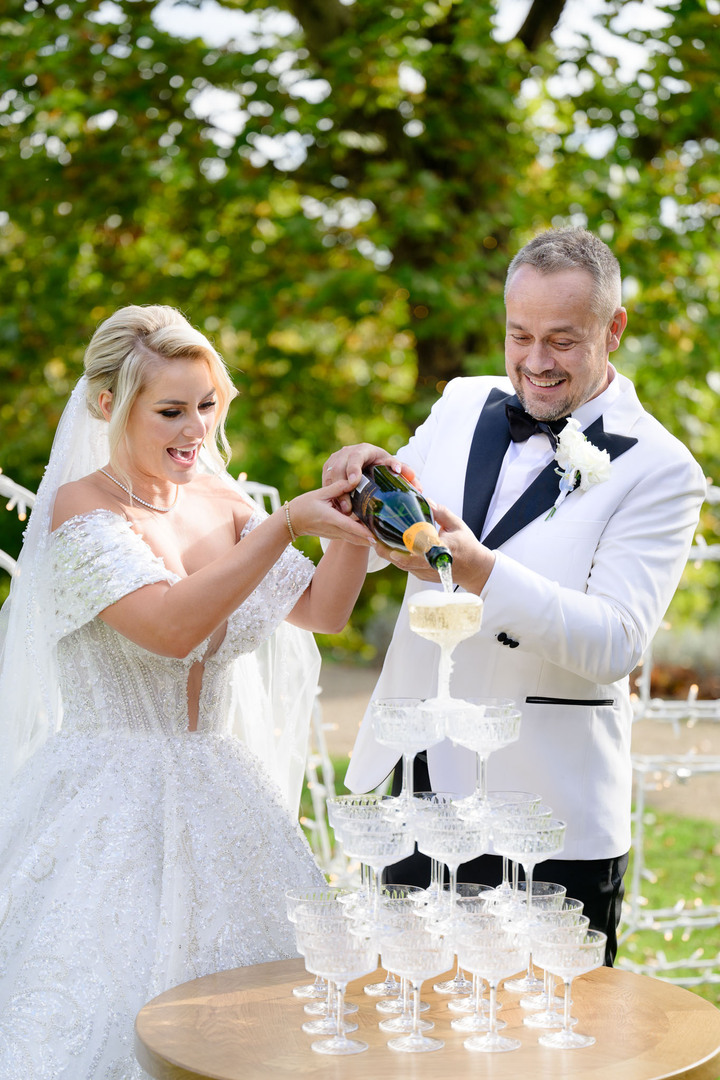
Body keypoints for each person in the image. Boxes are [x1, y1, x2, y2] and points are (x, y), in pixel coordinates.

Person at [0, 304, 375, 1079]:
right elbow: (169, 627)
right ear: (109, 405)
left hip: (224, 791)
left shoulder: (223, 502)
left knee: (262, 1028)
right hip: (103, 804)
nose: (195, 429)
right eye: (170, 410)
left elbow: (324, 613)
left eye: (207, 404)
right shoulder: (81, 510)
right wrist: (283, 526)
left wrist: (348, 511)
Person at [324, 228, 706, 964]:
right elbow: (394, 549)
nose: (536, 361)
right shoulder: (463, 402)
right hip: (421, 790)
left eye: (562, 340)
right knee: (414, 1034)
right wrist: (366, 493)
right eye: (519, 335)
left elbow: (614, 642)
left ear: (614, 329)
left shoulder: (663, 468)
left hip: (547, 819)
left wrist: (480, 570)